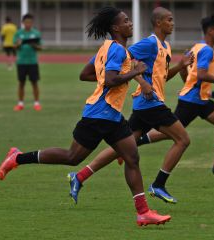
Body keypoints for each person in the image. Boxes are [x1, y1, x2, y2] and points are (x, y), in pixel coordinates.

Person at [0, 7, 171, 226]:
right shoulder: (117, 50)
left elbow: (86, 74)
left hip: (113, 115)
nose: (130, 24)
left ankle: (143, 212)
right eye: (126, 21)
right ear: (115, 28)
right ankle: (18, 157)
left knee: (132, 157)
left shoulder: (108, 48)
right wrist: (135, 72)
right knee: (72, 157)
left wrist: (120, 76)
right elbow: (109, 80)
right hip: (99, 115)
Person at [67, 7, 193, 205]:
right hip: (150, 103)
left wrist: (180, 65)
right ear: (158, 22)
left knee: (124, 147)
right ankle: (158, 184)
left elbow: (163, 77)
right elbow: (127, 57)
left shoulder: (165, 47)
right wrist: (142, 83)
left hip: (147, 103)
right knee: (183, 139)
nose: (173, 23)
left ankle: (80, 176)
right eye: (169, 19)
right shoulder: (149, 44)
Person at [135, 14, 214, 176]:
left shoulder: (197, 47)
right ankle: (134, 143)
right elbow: (201, 74)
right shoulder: (207, 51)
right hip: (192, 101)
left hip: (200, 99)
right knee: (171, 133)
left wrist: (186, 85)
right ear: (211, 31)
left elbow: (186, 71)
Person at [13, 14, 42, 111]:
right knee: (21, 83)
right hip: (21, 62)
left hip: (33, 62)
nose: (28, 24)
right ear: (23, 23)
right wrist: (18, 44)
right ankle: (20, 103)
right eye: (26, 22)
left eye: (30, 22)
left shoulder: (36, 33)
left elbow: (40, 47)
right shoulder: (18, 33)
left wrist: (34, 45)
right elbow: (14, 46)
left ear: (32, 23)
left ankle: (36, 103)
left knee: (34, 83)